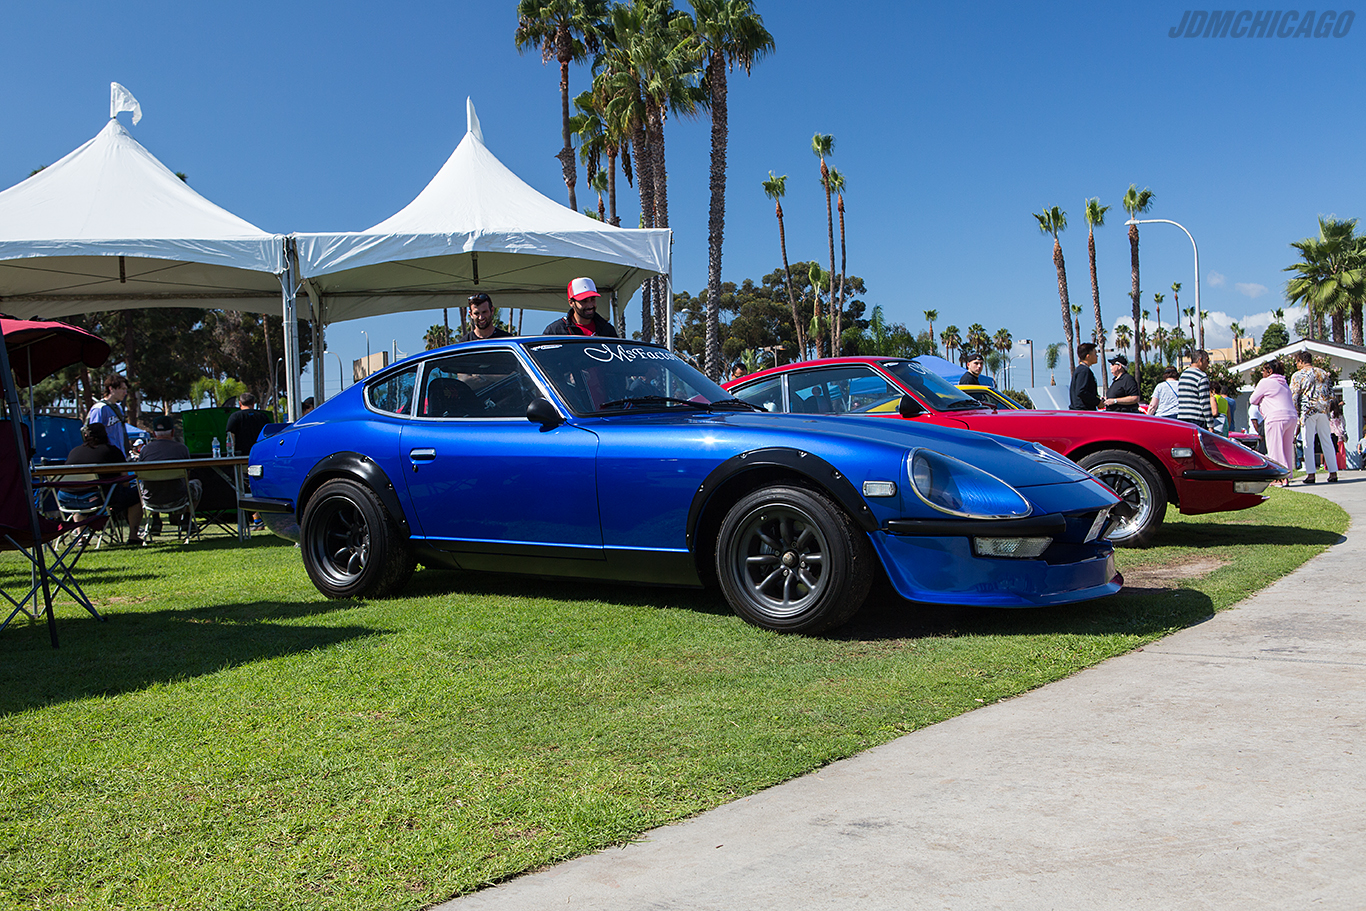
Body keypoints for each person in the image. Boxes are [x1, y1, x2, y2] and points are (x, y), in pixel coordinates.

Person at [61, 422, 144, 546]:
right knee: (134, 496)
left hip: (66, 498)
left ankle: (81, 538)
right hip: (95, 498)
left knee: (80, 492)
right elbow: (125, 481)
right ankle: (133, 536)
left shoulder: (74, 452)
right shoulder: (112, 452)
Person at [139, 414, 202, 533]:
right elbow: (187, 475)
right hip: (178, 498)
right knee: (196, 484)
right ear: (173, 432)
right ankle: (187, 520)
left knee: (148, 485)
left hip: (151, 499)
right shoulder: (182, 449)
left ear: (154, 433)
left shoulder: (145, 450)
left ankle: (156, 520)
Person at [1288, 349, 1338, 483]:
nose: (1296, 365)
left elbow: (1294, 396)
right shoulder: (1323, 373)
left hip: (1307, 410)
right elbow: (1331, 394)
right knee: (1326, 440)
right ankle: (1333, 472)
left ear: (1301, 361)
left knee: (1307, 442)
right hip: (1323, 410)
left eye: (1297, 362)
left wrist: (1297, 412)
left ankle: (1311, 474)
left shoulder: (1298, 375)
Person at [1251, 359, 1295, 484]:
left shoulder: (1266, 382)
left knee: (1275, 448)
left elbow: (1253, 399)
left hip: (1276, 417)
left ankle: (1278, 477)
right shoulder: (1284, 383)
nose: (1262, 374)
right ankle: (1286, 474)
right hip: (1291, 416)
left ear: (1269, 371)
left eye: (1264, 371)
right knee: (1286, 449)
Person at [544, 277, 618, 337]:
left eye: (593, 299)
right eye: (584, 300)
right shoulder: (555, 331)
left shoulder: (607, 329)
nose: (590, 305)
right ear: (571, 303)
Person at [87, 373, 131, 456]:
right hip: (106, 455)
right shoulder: (99, 408)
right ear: (111, 388)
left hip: (120, 454)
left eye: (126, 389)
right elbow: (93, 436)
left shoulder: (118, 408)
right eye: (122, 389)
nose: (125, 392)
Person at [1177, 349, 1216, 429]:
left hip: (1182, 418)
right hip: (1197, 419)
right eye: (1207, 360)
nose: (1208, 364)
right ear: (1200, 360)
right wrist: (1210, 425)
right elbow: (1205, 403)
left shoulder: (1183, 375)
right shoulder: (1202, 377)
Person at [225, 392, 271, 457]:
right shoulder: (263, 416)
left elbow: (230, 436)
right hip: (260, 454)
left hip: (241, 455)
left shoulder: (235, 416)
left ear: (240, 403)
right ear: (253, 403)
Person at [1069, 343, 1101, 410]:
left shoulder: (1080, 370)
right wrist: (1097, 402)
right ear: (1088, 356)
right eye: (1095, 354)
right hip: (1083, 411)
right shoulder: (1084, 371)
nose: (1097, 356)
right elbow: (1081, 391)